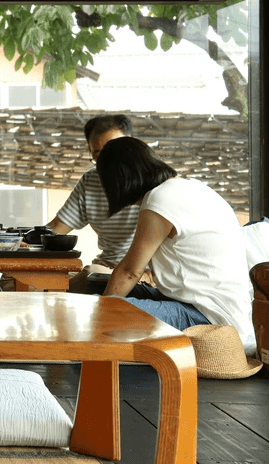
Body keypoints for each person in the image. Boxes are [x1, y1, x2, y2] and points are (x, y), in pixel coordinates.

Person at [95, 137, 256, 355]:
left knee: (102, 313)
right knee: (92, 287)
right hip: (209, 307)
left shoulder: (159, 200)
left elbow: (130, 271)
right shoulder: (190, 188)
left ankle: (89, 356)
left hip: (209, 319)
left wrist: (100, 315)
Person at [45, 114, 145, 293]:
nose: (108, 161)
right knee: (22, 276)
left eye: (114, 150)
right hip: (105, 266)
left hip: (142, 273)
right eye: (99, 154)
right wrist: (18, 247)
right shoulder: (91, 180)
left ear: (131, 145)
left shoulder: (151, 181)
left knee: (88, 277)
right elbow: (57, 227)